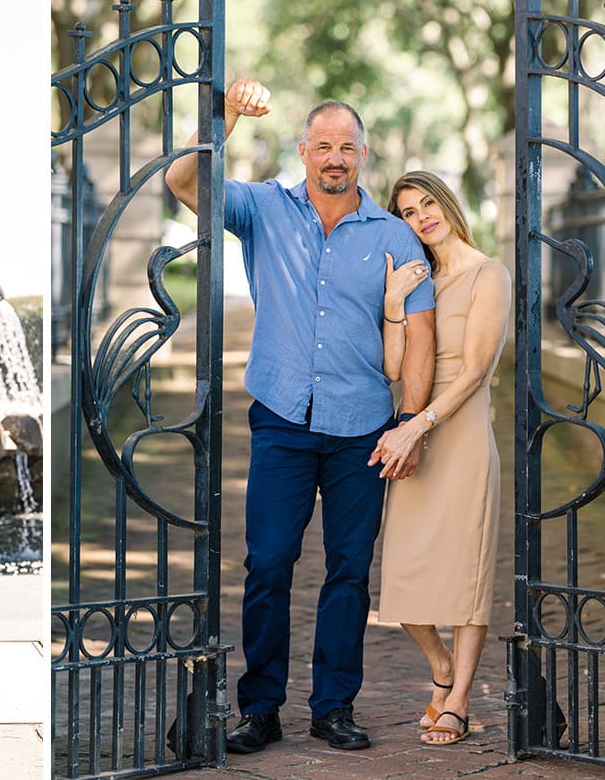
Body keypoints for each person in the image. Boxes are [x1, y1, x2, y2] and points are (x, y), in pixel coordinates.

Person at [164, 78, 437, 753]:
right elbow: (182, 181)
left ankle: (334, 707)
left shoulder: (396, 238)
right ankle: (259, 707)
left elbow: (423, 336)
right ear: (303, 150)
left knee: (348, 571)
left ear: (363, 155)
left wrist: (410, 421)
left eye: (347, 146)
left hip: (363, 429)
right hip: (283, 419)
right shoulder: (263, 209)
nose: (334, 157)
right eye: (323, 145)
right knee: (269, 565)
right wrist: (225, 114)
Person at [370, 170, 512, 746]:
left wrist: (419, 425)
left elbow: (476, 370)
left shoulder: (489, 273)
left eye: (428, 203)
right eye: (407, 211)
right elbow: (394, 369)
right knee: (401, 577)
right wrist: (393, 303)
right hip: (414, 429)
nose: (422, 216)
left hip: (460, 433)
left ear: (448, 204)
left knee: (468, 573)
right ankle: (443, 666)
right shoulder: (418, 279)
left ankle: (457, 701)